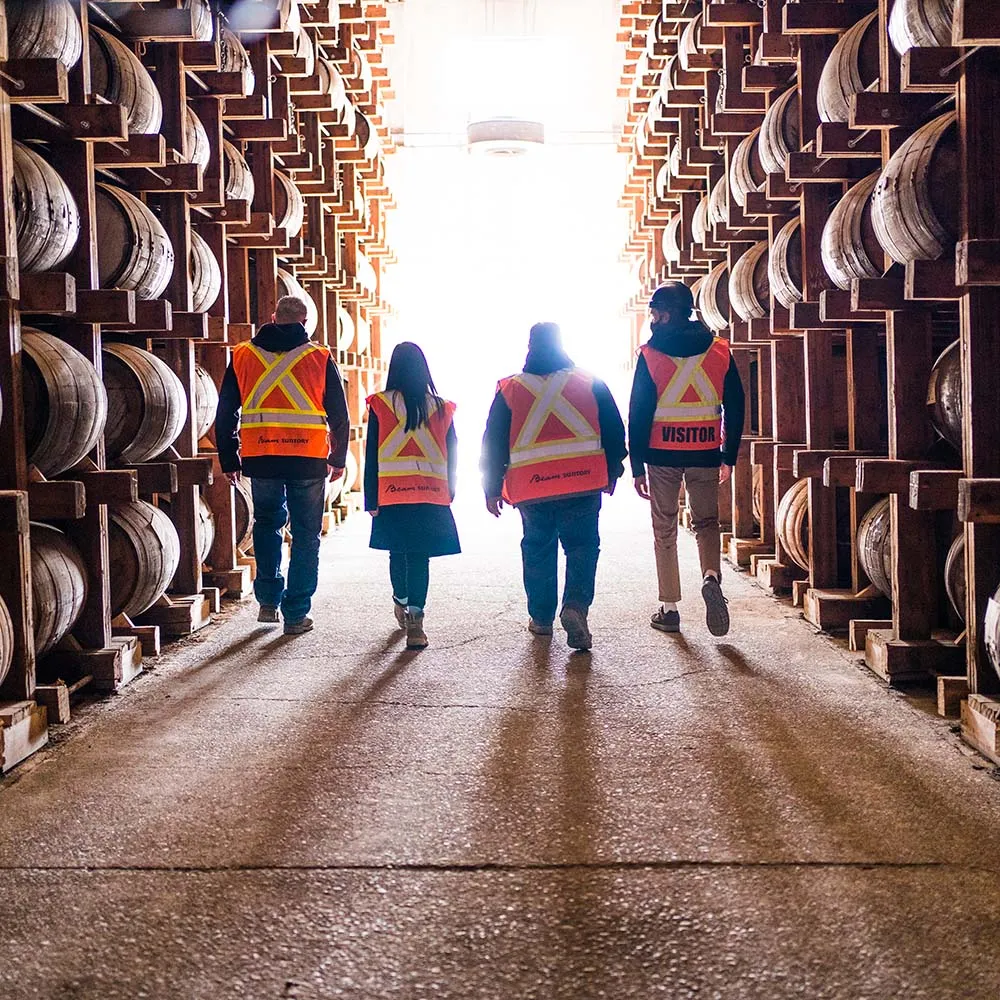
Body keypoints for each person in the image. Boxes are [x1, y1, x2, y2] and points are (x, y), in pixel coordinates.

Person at [481, 322, 627, 651]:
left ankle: (542, 619)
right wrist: (614, 470)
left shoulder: (510, 389)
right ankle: (575, 606)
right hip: (583, 483)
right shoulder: (590, 381)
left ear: (530, 346)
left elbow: (493, 441)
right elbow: (615, 429)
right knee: (582, 547)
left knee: (538, 549)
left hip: (533, 488)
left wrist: (491, 487)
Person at [216, 294, 349, 635]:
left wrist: (229, 457)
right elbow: (339, 414)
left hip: (262, 457)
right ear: (304, 323)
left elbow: (226, 410)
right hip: (308, 459)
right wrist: (337, 458)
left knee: (266, 525)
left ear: (273, 317)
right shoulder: (319, 357)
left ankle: (268, 602)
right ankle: (295, 614)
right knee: (306, 535)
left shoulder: (243, 354)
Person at [628, 281, 745, 638]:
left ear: (669, 312)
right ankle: (711, 577)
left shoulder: (650, 355)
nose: (652, 317)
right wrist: (730, 455)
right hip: (706, 452)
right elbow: (736, 405)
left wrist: (637, 466)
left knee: (664, 527)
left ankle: (670, 608)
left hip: (661, 455)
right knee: (706, 523)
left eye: (656, 311)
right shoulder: (720, 352)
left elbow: (638, 413)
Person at [364, 342, 460, 651]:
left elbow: (371, 454)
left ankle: (401, 601)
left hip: (392, 492)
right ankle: (416, 621)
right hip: (430, 492)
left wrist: (371, 499)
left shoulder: (381, 404)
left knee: (398, 551)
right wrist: (451, 488)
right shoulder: (441, 407)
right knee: (419, 555)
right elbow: (453, 451)